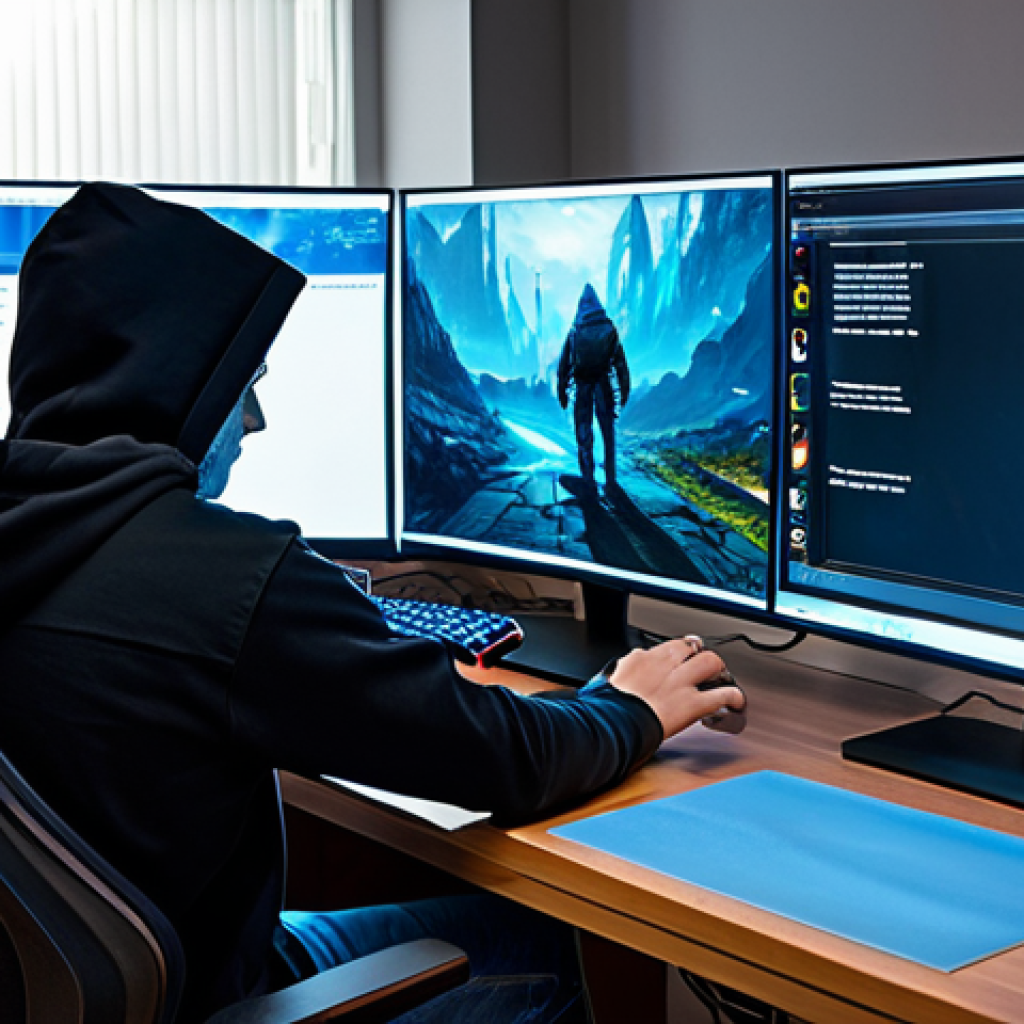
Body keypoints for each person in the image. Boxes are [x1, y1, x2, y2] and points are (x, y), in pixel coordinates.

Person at [0, 184, 743, 1022]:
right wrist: (631, 710)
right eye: (241, 385)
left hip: (132, 978)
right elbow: (507, 759)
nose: (256, 420)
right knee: (553, 940)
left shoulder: (28, 529)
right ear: (177, 383)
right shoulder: (225, 578)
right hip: (220, 993)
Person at [557, 284, 631, 490]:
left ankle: (588, 477)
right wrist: (624, 391)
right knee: (608, 431)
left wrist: (562, 391)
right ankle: (610, 478)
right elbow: (620, 364)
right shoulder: (609, 328)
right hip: (603, 384)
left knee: (584, 431)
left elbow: (564, 364)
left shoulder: (576, 330)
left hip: (582, 386)